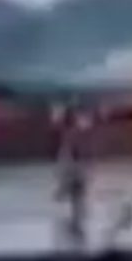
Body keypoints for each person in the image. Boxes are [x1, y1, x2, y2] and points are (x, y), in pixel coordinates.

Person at [54, 106, 90, 253]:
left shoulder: (71, 134)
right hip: (74, 170)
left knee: (76, 199)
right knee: (76, 200)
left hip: (73, 170)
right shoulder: (72, 133)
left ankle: (75, 228)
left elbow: (75, 152)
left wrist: (65, 181)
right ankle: (76, 228)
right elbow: (76, 152)